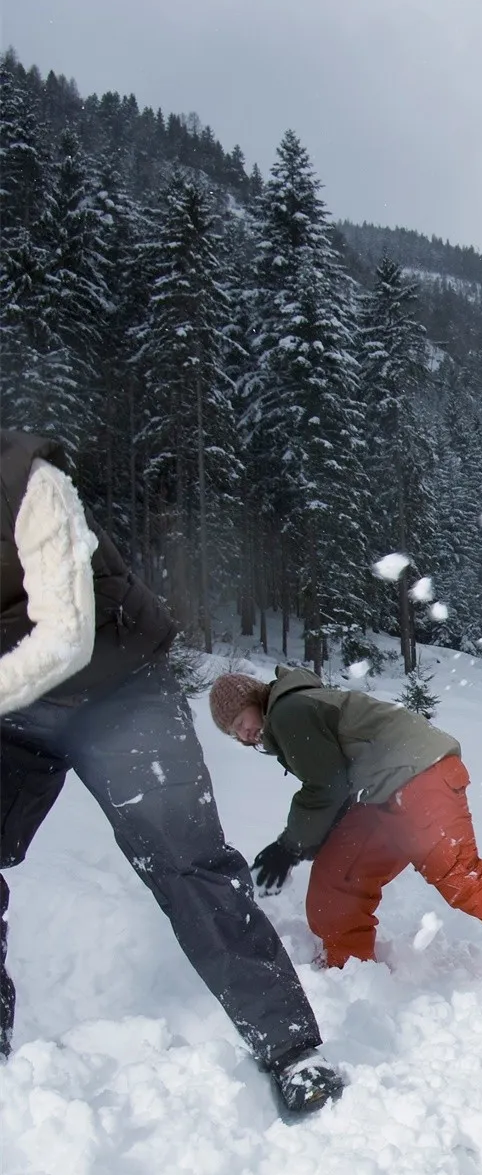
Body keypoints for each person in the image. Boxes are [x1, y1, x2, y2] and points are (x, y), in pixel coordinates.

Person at [0, 429, 342, 1117]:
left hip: (118, 688)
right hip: (15, 710)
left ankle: (291, 1049)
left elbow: (67, 636)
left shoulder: (27, 482)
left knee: (189, 865)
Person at [208, 667, 482, 985]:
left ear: (253, 698)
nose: (242, 734)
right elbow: (336, 781)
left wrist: (290, 844)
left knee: (460, 877)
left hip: (418, 777)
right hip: (385, 793)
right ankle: (349, 972)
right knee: (338, 877)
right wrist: (308, 841)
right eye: (232, 733)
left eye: (239, 720)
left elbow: (326, 784)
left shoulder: (288, 711)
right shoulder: (290, 711)